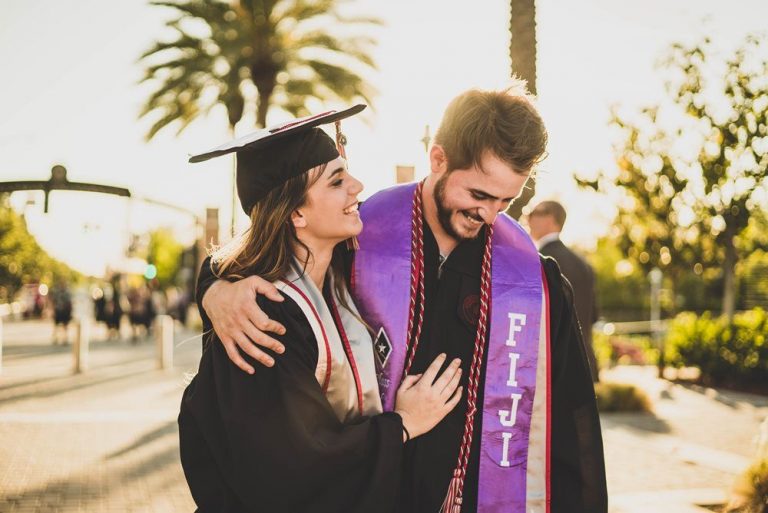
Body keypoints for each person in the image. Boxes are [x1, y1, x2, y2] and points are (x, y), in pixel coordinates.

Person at [198, 86, 608, 513]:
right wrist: (213, 287)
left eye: (507, 201)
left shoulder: (532, 280)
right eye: (479, 195)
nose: (489, 215)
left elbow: (570, 427)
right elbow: (266, 252)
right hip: (366, 493)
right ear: (438, 159)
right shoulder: (359, 237)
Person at [179, 106, 463, 513]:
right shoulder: (264, 318)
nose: (358, 187)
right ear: (296, 212)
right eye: (337, 181)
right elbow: (292, 465)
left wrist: (211, 287)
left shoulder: (342, 274)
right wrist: (403, 425)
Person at [528, 200, 600, 382]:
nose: (527, 217)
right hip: (583, 363)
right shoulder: (583, 264)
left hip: (550, 368)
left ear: (550, 219)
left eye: (534, 212)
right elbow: (594, 315)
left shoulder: (538, 262)